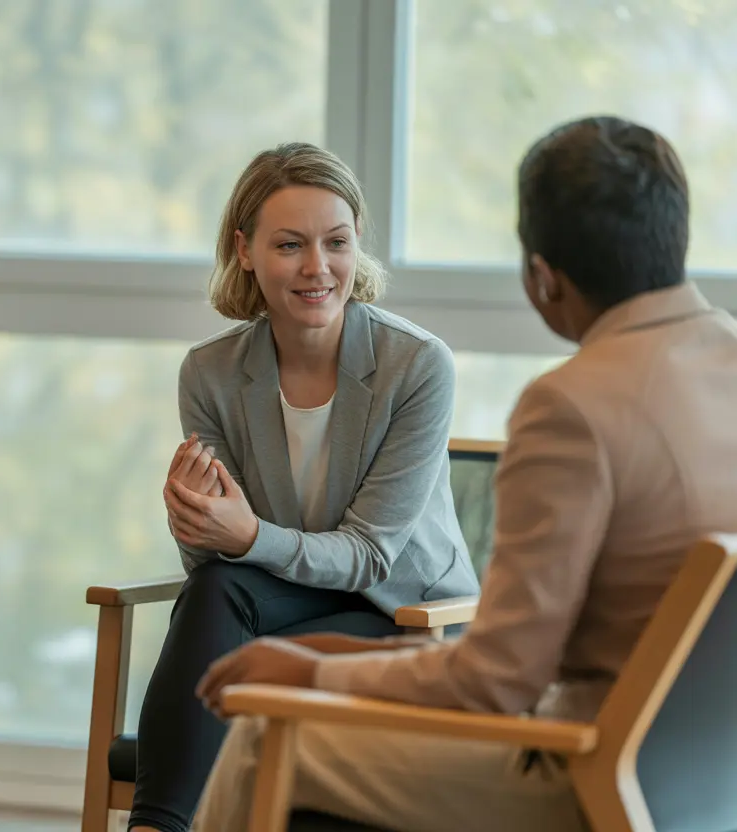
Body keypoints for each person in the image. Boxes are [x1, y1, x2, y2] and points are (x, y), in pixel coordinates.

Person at [191, 117, 737, 832]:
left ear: (541, 276)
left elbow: (496, 680)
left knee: (268, 740)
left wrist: (315, 673)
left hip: (585, 772)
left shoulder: (569, 409)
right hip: (710, 787)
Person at [129, 143, 480, 832]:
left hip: (401, 615)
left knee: (241, 639)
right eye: (290, 245)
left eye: (336, 243)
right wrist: (195, 525)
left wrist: (245, 533)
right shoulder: (212, 373)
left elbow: (370, 557)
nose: (318, 268)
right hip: (284, 600)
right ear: (247, 251)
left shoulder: (417, 367)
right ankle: (157, 827)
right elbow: (221, 565)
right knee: (212, 590)